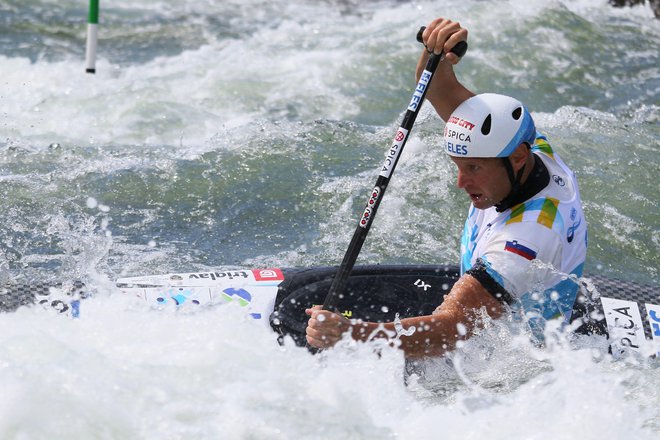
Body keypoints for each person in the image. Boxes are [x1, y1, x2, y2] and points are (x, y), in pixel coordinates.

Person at [305, 18, 588, 358]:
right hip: (498, 311)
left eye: (473, 168)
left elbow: (452, 330)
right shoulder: (533, 149)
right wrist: (434, 53)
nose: (461, 182)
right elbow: (438, 89)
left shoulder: (525, 242)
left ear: (516, 158)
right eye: (458, 165)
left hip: (508, 363)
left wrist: (351, 333)